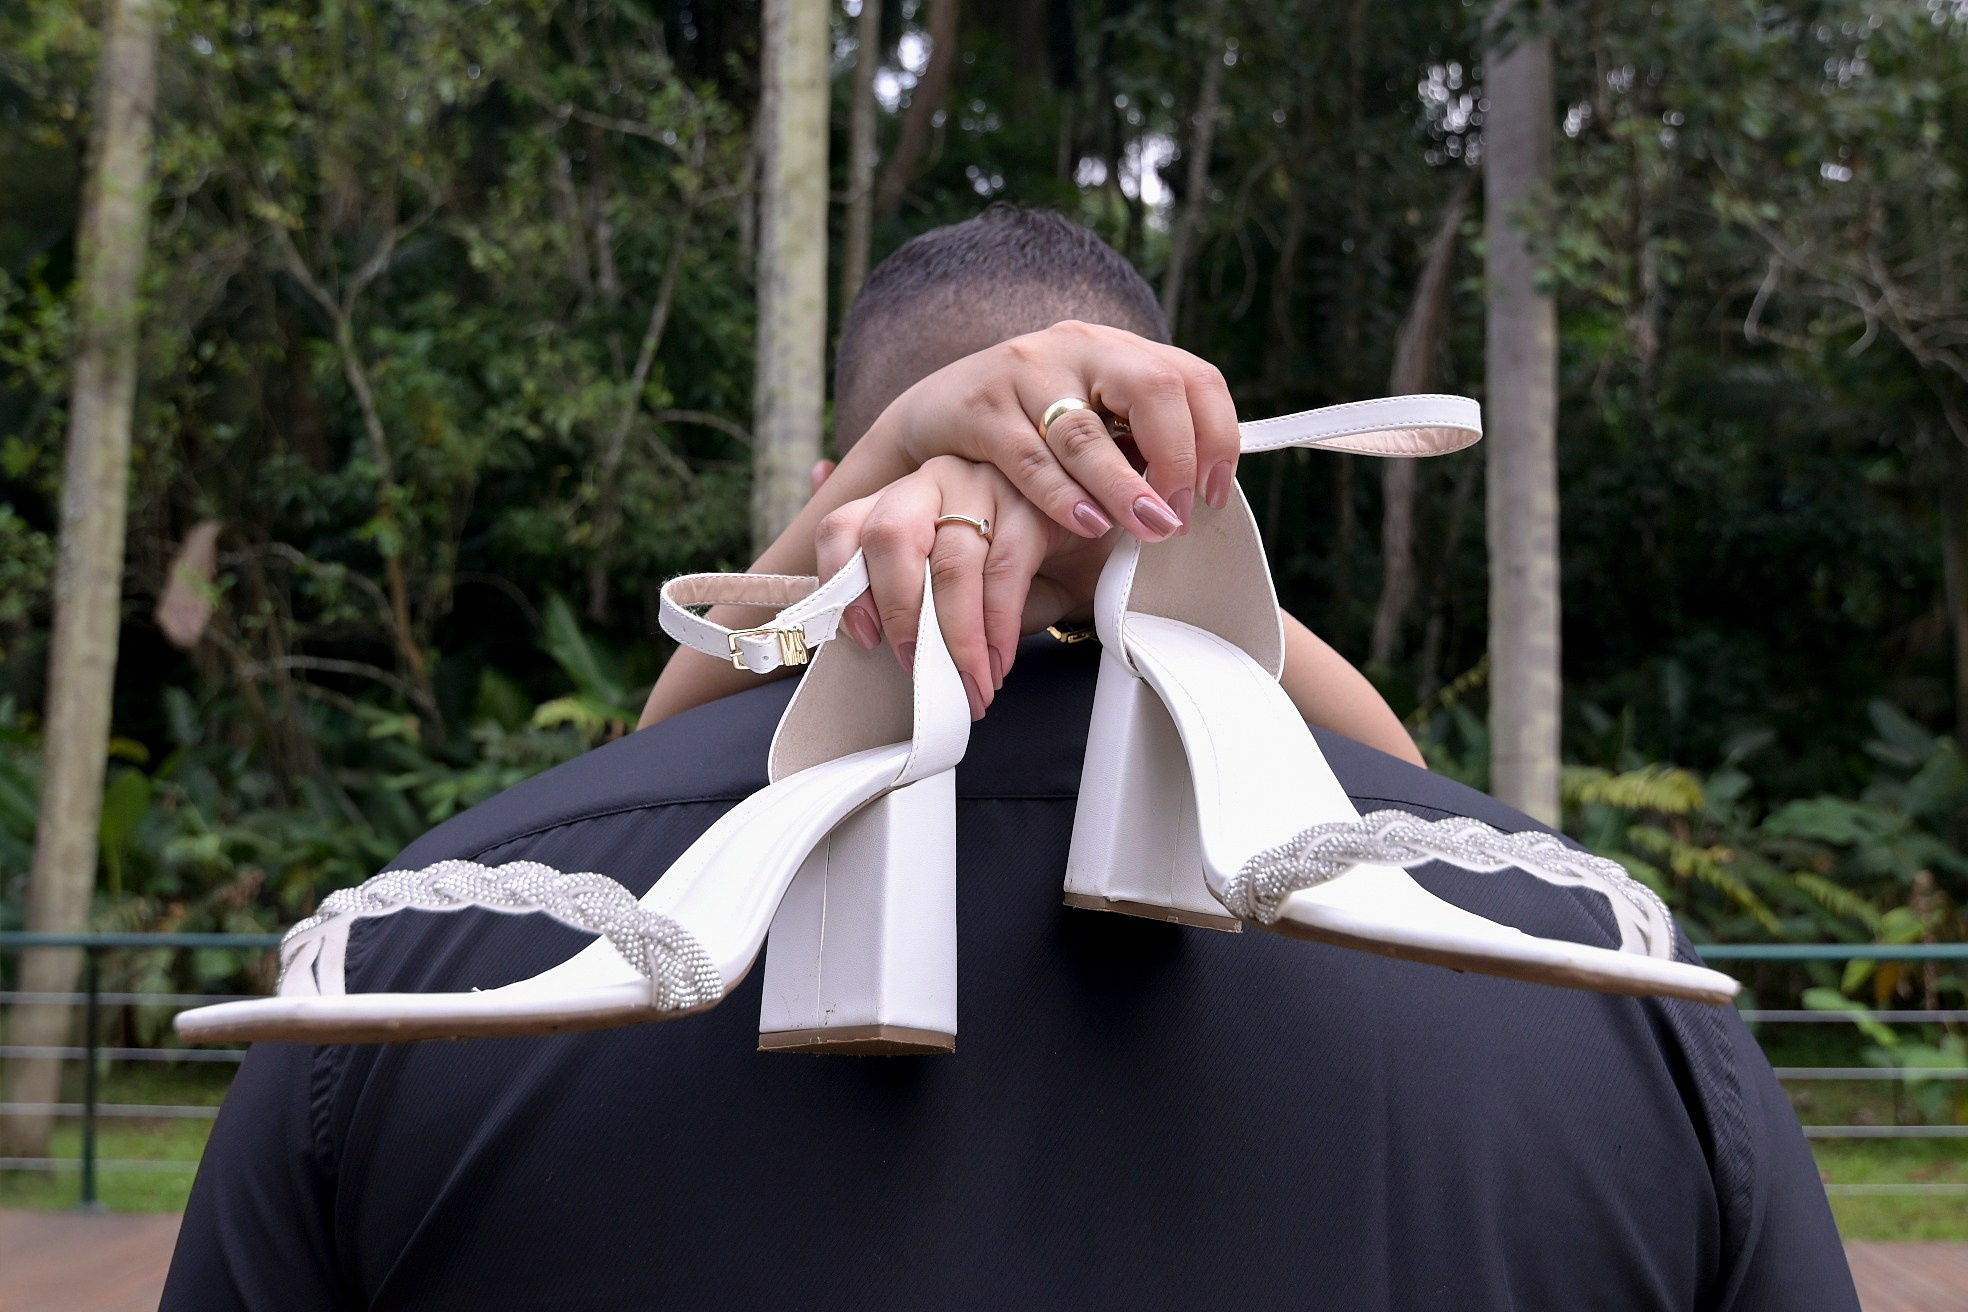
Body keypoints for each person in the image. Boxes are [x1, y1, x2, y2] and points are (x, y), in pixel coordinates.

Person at [162, 208, 1857, 1311]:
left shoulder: (394, 978)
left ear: (843, 484)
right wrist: (1137, 546)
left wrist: (895, 500)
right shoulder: (1609, 989)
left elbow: (653, 781)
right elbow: (1392, 796)